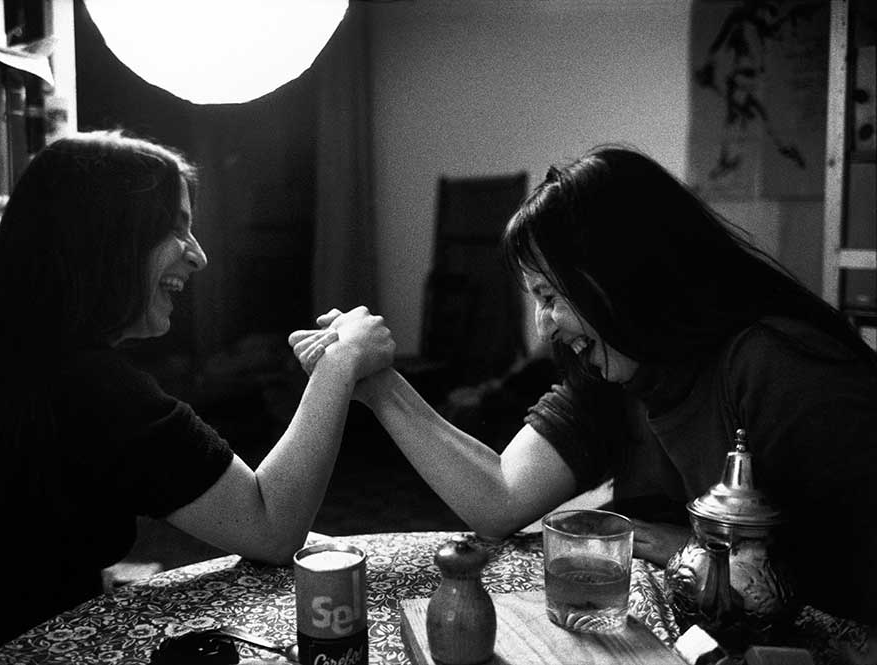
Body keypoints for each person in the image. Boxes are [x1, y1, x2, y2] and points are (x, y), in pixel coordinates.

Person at [292, 145, 877, 627]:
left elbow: (851, 585)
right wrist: (378, 382)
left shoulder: (779, 367)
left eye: (549, 296)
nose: (543, 327)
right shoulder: (618, 368)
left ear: (621, 274)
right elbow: (499, 497)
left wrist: (690, 553)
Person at [0, 130, 395, 665]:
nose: (199, 257)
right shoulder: (87, 385)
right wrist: (339, 363)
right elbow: (271, 526)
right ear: (106, 239)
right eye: (175, 229)